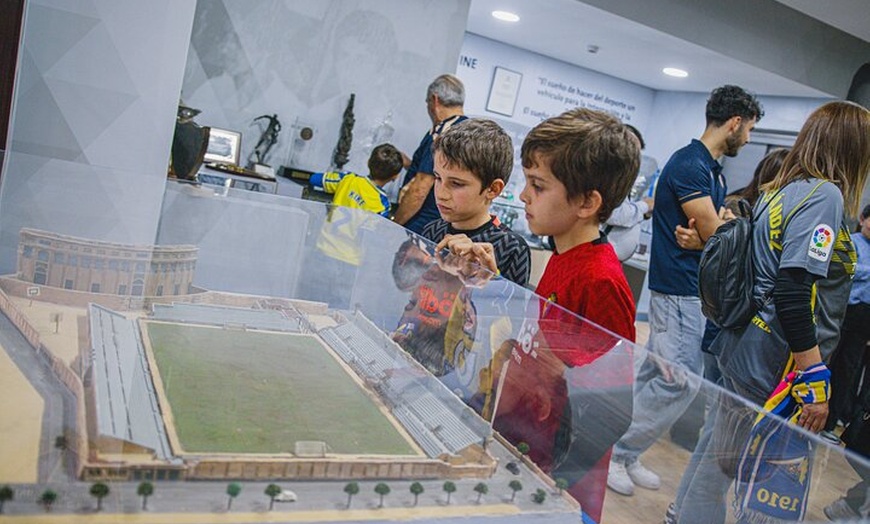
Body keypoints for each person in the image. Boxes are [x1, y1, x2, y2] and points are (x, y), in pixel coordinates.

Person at [670, 100, 870, 524]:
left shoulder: (781, 189)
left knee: (716, 461)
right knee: (760, 493)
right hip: (776, 367)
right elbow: (793, 290)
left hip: (746, 350)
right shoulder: (824, 198)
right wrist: (814, 376)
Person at [439, 107, 641, 523]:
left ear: (587, 202)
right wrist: (495, 286)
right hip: (521, 446)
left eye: (538, 185)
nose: (524, 196)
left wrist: (555, 482)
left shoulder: (600, 279)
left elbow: (611, 409)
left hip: (548, 477)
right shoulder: (562, 253)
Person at [608, 85, 764, 497]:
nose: (747, 138)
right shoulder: (691, 164)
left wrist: (719, 230)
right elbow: (715, 231)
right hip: (679, 288)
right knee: (679, 381)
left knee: (654, 374)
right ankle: (616, 451)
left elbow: (717, 231)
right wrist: (719, 231)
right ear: (734, 122)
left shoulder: (712, 170)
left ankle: (623, 451)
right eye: (747, 129)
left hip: (690, 289)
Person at [421, 118, 531, 286]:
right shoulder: (432, 230)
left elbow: (509, 309)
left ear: (493, 189)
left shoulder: (512, 248)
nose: (441, 194)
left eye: (456, 183)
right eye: (437, 178)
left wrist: (488, 277)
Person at [303, 143, 404, 307]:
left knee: (310, 301)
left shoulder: (348, 179)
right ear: (395, 176)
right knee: (337, 307)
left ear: (368, 162)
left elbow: (314, 179)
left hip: (322, 251)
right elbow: (373, 236)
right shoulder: (381, 203)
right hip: (349, 262)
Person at [393, 74, 467, 234]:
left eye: (427, 103)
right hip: (443, 226)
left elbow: (420, 189)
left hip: (420, 225)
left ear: (435, 100)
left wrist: (394, 224)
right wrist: (410, 164)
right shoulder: (466, 130)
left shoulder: (441, 133)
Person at [822, 203, 870, 439]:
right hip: (844, 312)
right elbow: (846, 269)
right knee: (830, 362)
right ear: (862, 219)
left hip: (865, 320)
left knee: (848, 370)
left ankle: (830, 424)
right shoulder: (851, 242)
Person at [603, 124, 655, 261]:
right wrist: (644, 206)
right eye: (631, 151)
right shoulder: (605, 176)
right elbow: (613, 214)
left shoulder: (619, 177)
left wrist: (642, 213)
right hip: (598, 257)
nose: (634, 160)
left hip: (607, 258)